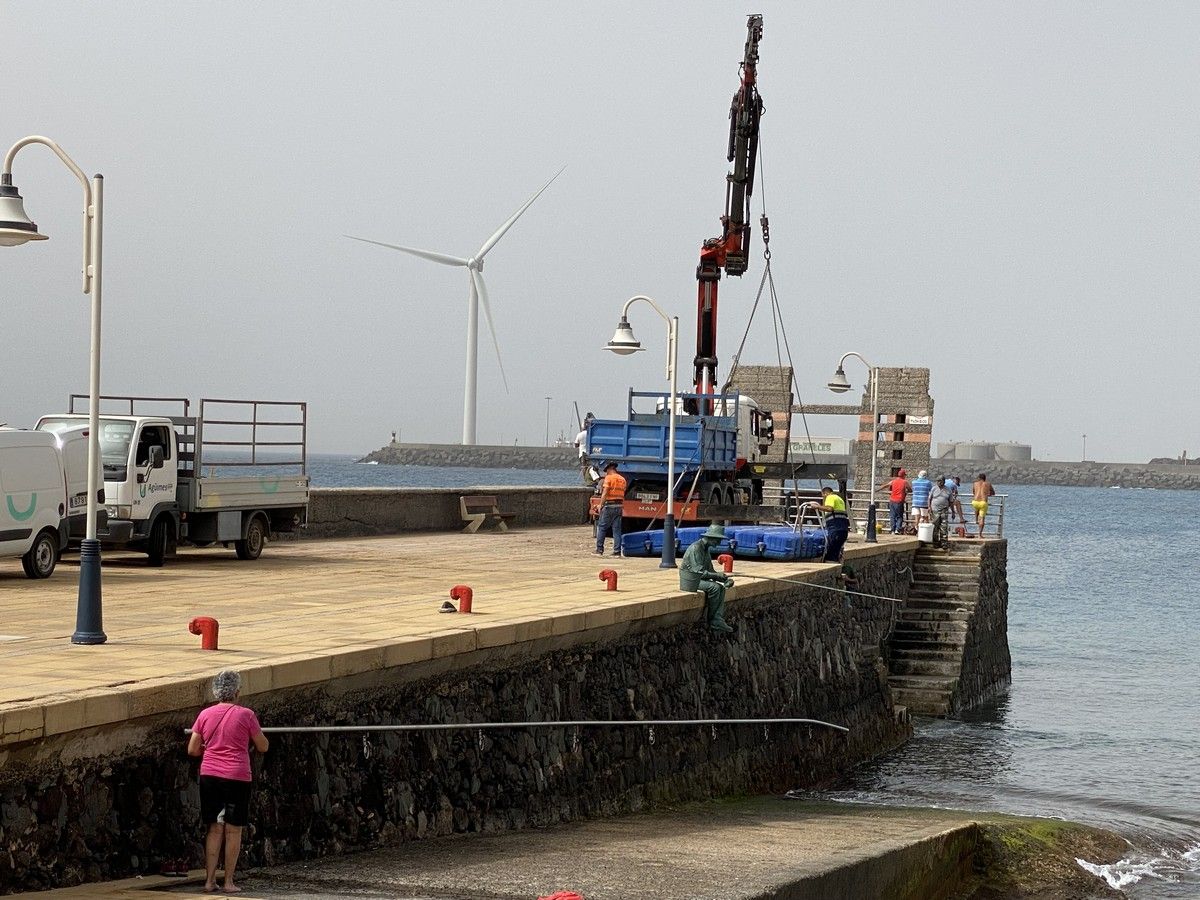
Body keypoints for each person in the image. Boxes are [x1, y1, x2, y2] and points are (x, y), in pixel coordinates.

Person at [188, 670, 269, 895]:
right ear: (237, 692)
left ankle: (209, 881)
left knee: (214, 828)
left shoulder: (205, 715)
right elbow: (263, 746)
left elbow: (192, 749)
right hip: (237, 776)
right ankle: (229, 881)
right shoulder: (246, 715)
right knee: (233, 830)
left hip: (210, 775)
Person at [679, 523, 734, 633]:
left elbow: (710, 571)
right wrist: (716, 576)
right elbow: (699, 572)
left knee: (721, 588)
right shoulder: (696, 548)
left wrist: (724, 579)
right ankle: (713, 620)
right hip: (691, 580)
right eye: (717, 540)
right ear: (711, 538)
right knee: (715, 588)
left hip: (698, 578)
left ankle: (718, 618)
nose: (718, 543)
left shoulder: (706, 550)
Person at [594, 460, 626, 556]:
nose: (606, 472)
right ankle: (617, 552)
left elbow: (605, 492)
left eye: (606, 470)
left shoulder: (609, 478)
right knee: (617, 530)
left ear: (609, 469)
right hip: (619, 506)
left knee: (602, 527)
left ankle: (599, 550)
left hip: (609, 506)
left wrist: (600, 504)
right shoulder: (622, 479)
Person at [818, 485, 850, 562]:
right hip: (843, 528)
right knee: (836, 549)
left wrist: (817, 507)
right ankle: (836, 564)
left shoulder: (830, 497)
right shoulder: (839, 499)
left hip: (835, 527)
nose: (824, 499)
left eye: (823, 497)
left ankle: (830, 564)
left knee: (831, 549)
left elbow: (829, 508)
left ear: (825, 493)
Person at [879, 468, 911, 534]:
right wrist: (906, 491)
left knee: (892, 516)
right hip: (899, 501)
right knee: (899, 516)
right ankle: (897, 529)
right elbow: (910, 489)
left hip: (892, 500)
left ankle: (892, 530)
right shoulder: (904, 482)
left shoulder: (893, 481)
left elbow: (886, 485)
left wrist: (878, 489)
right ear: (903, 475)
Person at [929, 476, 952, 549]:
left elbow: (951, 501)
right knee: (935, 527)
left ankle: (944, 543)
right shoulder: (934, 488)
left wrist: (953, 511)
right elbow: (929, 498)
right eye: (937, 481)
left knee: (944, 527)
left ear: (944, 481)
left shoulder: (948, 490)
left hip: (944, 510)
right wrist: (929, 507)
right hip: (935, 510)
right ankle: (935, 543)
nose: (939, 482)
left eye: (940, 481)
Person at [972, 472, 996, 538]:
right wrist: (988, 494)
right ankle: (980, 534)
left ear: (979, 478)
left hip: (975, 502)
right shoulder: (988, 484)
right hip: (983, 502)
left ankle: (976, 519)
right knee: (982, 519)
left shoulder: (975, 483)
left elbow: (973, 492)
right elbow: (993, 493)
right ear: (985, 479)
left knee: (976, 507)